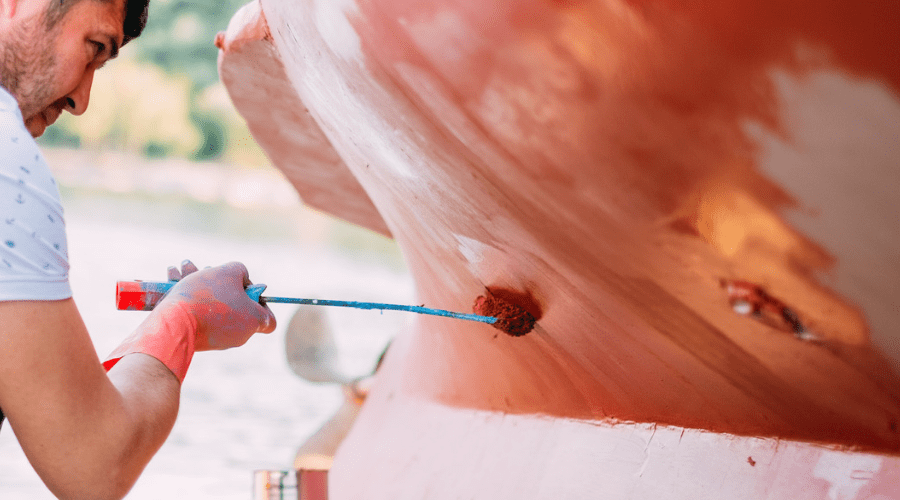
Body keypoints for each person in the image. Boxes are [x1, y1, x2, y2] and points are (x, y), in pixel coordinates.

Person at [0, 1, 277, 499]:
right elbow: (94, 465)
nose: (82, 99)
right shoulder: (7, 163)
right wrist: (186, 320)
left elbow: (51, 402)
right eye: (94, 49)